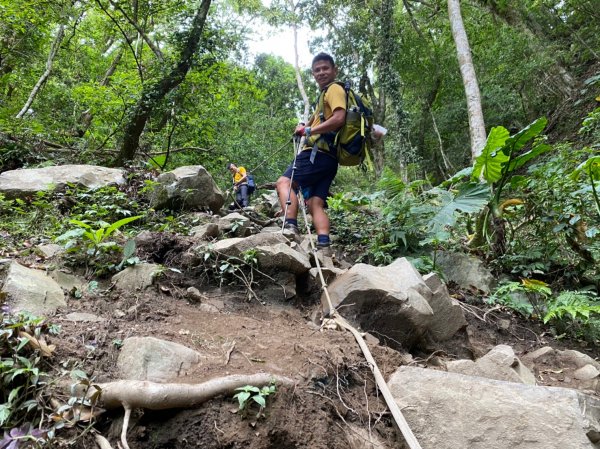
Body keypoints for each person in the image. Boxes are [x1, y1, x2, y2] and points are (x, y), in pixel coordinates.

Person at [276, 52, 346, 255]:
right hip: (330, 159)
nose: (321, 72)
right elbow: (315, 121)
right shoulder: (324, 96)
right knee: (315, 203)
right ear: (313, 74)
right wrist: (304, 126)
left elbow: (339, 118)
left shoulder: (334, 89)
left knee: (284, 182)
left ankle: (290, 227)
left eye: (325, 68)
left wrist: (308, 131)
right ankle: (324, 245)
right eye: (317, 70)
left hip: (316, 154)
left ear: (334, 70)